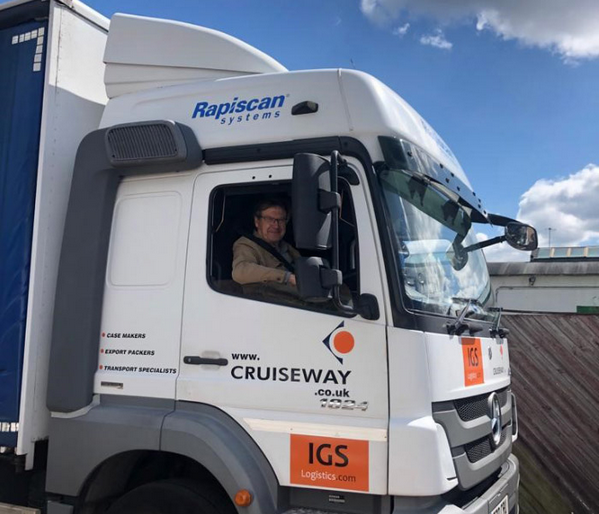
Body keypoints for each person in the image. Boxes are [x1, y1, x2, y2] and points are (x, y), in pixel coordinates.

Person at [232, 199, 300, 290]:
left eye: (281, 220)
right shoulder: (247, 244)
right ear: (257, 221)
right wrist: (286, 277)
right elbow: (241, 272)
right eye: (270, 219)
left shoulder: (286, 246)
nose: (276, 226)